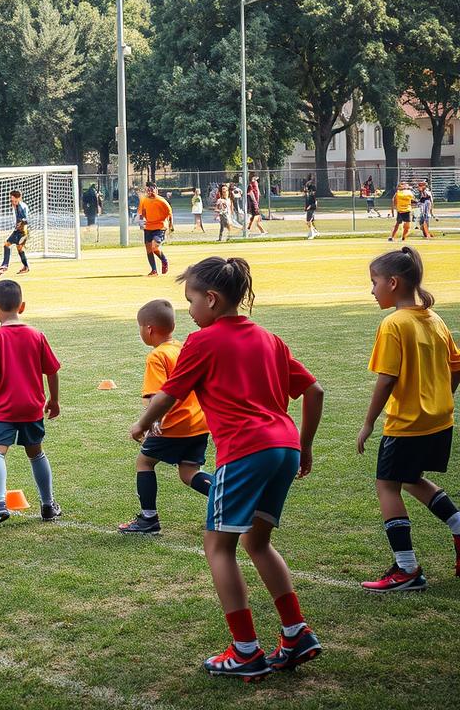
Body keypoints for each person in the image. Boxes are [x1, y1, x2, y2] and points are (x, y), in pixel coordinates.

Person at [131, 257, 324, 681]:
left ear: (212, 300)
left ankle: (245, 651)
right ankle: (295, 633)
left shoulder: (204, 341)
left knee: (219, 548)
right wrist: (304, 448)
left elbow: (169, 394)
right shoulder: (270, 339)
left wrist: (142, 424)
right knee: (258, 543)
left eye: (191, 301)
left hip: (245, 451)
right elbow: (314, 390)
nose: (189, 311)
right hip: (284, 447)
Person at [356, 247, 460, 592]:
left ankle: (407, 569)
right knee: (411, 478)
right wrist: (443, 397)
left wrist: (369, 423)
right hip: (439, 420)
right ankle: (459, 525)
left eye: (374, 282)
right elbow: (456, 366)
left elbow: (386, 379)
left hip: (407, 423)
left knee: (387, 484)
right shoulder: (435, 318)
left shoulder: (394, 323)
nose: (372, 290)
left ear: (393, 282)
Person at [0, 280, 62, 533]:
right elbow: (52, 370)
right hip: (32, 407)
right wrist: (53, 399)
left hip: (4, 409)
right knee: (36, 453)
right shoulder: (36, 335)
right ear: (22, 306)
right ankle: (47, 505)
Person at [119, 300, 213, 534]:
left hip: (173, 424)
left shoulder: (157, 357)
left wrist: (150, 421)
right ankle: (237, 497)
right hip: (198, 423)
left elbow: (158, 394)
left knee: (144, 462)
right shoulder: (182, 348)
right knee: (189, 473)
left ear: (148, 329)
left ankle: (148, 519)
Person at [138, 182, 174, 276]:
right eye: (148, 189)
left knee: (154, 246)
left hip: (160, 227)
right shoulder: (144, 200)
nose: (150, 191)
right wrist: (141, 223)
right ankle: (154, 270)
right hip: (148, 227)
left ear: (156, 190)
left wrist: (171, 226)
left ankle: (164, 260)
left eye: (152, 188)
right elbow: (142, 213)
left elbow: (170, 213)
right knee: (149, 249)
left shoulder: (161, 200)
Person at [0, 190, 31, 277]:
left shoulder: (21, 207)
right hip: (19, 231)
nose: (13, 202)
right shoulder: (18, 205)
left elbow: (25, 220)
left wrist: (22, 228)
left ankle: (5, 265)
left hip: (22, 231)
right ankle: (25, 267)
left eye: (14, 200)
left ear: (19, 198)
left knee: (8, 245)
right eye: (12, 200)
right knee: (17, 248)